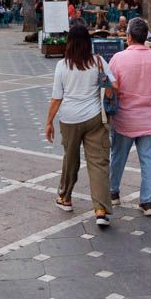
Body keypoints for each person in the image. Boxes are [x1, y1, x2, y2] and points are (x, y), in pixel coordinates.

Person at [43, 23, 113, 226]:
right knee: (98, 163)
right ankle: (100, 210)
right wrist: (105, 85)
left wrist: (49, 122)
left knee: (71, 158)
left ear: (70, 43)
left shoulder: (62, 65)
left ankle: (65, 198)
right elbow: (113, 87)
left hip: (69, 119)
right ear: (88, 42)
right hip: (95, 118)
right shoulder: (98, 61)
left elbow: (57, 98)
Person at [108, 17, 151, 216]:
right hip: (148, 116)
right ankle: (147, 201)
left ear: (129, 37)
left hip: (124, 117)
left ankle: (113, 191)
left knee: (118, 156)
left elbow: (111, 88)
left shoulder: (118, 58)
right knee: (149, 160)